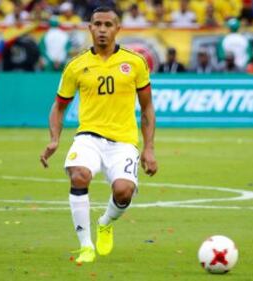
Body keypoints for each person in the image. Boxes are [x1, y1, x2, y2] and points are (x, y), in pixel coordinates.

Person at [40, 6, 158, 264]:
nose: (102, 30)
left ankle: (106, 222)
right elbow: (59, 106)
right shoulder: (76, 66)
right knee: (79, 175)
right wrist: (54, 139)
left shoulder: (135, 63)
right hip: (88, 138)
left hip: (124, 142)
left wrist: (148, 148)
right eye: (97, 24)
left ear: (118, 29)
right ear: (89, 28)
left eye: (108, 25)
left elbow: (147, 106)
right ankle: (86, 246)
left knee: (123, 191)